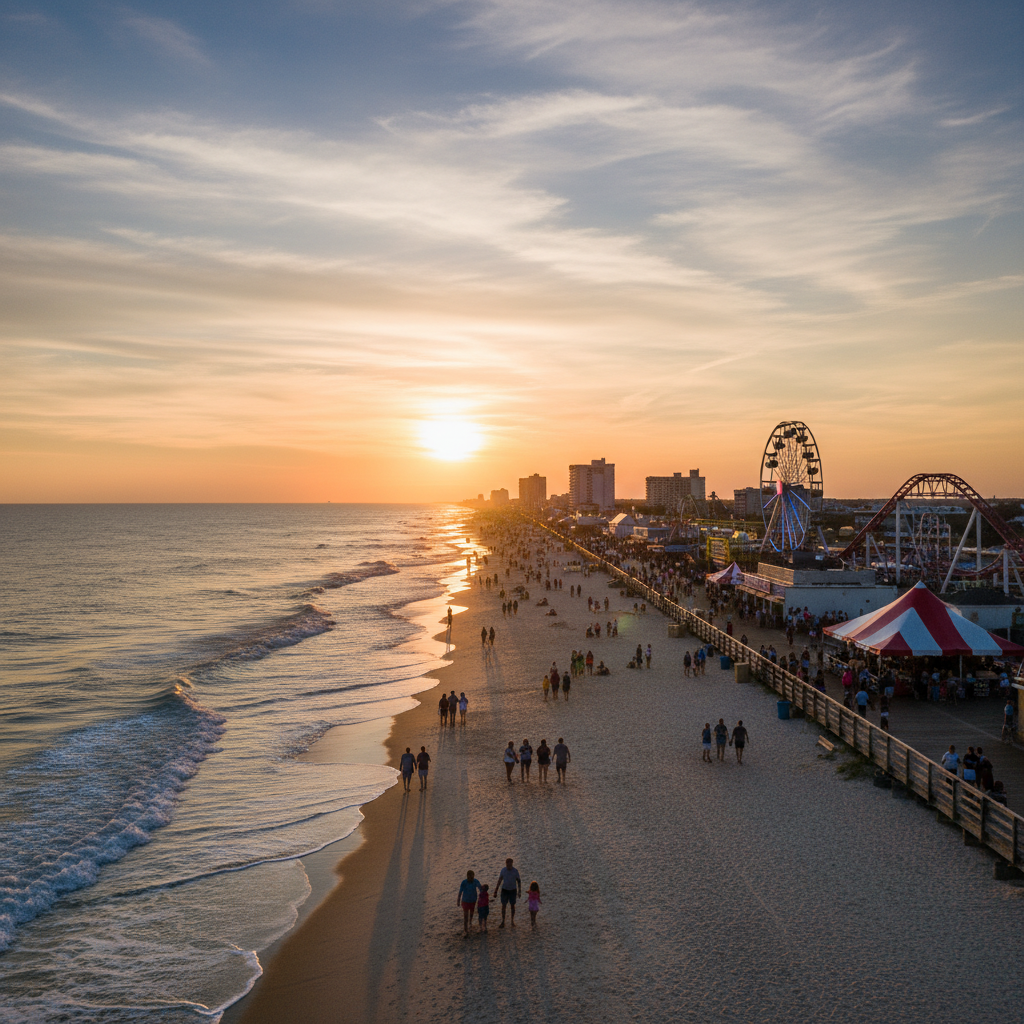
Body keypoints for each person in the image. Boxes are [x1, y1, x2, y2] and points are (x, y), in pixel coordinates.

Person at [495, 858, 522, 928]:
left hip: (513, 890)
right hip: (505, 890)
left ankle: (512, 921)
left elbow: (519, 881)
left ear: (512, 863)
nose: (509, 865)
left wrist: (519, 891)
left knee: (512, 906)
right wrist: (496, 890)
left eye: (510, 863)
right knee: (503, 906)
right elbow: (499, 880)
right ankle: (503, 921)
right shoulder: (503, 870)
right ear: (506, 863)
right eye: (507, 863)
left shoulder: (515, 871)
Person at [458, 870, 482, 936]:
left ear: (473, 876)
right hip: (465, 901)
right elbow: (460, 892)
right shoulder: (464, 882)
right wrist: (458, 900)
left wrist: (483, 898)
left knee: (471, 913)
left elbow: (480, 889)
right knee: (465, 915)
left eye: (472, 877)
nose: (470, 879)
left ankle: (470, 923)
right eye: (469, 877)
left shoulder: (476, 881)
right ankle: (465, 930)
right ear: (467, 876)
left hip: (473, 901)